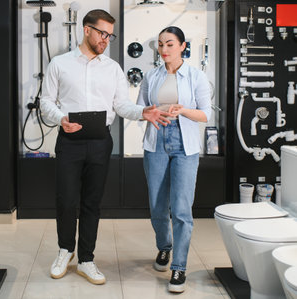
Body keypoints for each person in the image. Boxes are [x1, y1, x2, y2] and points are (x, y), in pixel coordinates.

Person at [40, 9, 171, 285]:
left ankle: (86, 258)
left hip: (100, 143)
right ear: (86, 30)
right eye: (102, 33)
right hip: (69, 141)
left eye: (110, 35)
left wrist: (142, 112)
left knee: (91, 203)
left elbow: (121, 105)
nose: (106, 40)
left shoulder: (112, 68)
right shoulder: (60, 64)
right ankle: (66, 251)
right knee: (66, 200)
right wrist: (60, 118)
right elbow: (46, 102)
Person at [136, 26, 212, 293]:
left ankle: (179, 267)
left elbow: (206, 115)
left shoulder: (196, 76)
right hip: (156, 142)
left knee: (181, 209)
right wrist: (149, 111)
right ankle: (164, 248)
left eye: (170, 44)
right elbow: (141, 108)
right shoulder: (151, 75)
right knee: (157, 207)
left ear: (182, 46)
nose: (164, 49)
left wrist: (184, 110)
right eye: (160, 44)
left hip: (185, 144)